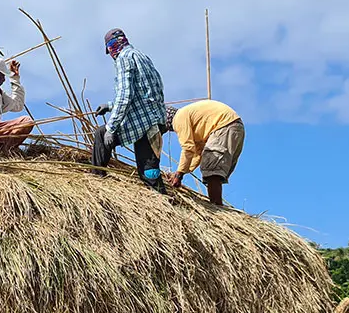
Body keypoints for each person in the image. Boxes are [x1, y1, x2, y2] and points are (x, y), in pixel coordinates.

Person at [91, 28, 166, 193]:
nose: (111, 55)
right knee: (149, 168)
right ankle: (162, 198)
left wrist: (111, 128)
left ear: (112, 46)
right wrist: (110, 105)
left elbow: (125, 96)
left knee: (102, 134)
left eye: (109, 50)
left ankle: (96, 180)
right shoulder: (141, 56)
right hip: (154, 120)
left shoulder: (124, 58)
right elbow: (143, 91)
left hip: (143, 123)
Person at [164, 100, 245, 206]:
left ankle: (217, 207)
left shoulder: (178, 118)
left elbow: (188, 148)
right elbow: (197, 153)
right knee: (213, 169)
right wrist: (183, 171)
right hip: (234, 128)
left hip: (224, 126)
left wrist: (179, 174)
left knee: (212, 170)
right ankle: (217, 204)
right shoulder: (193, 121)